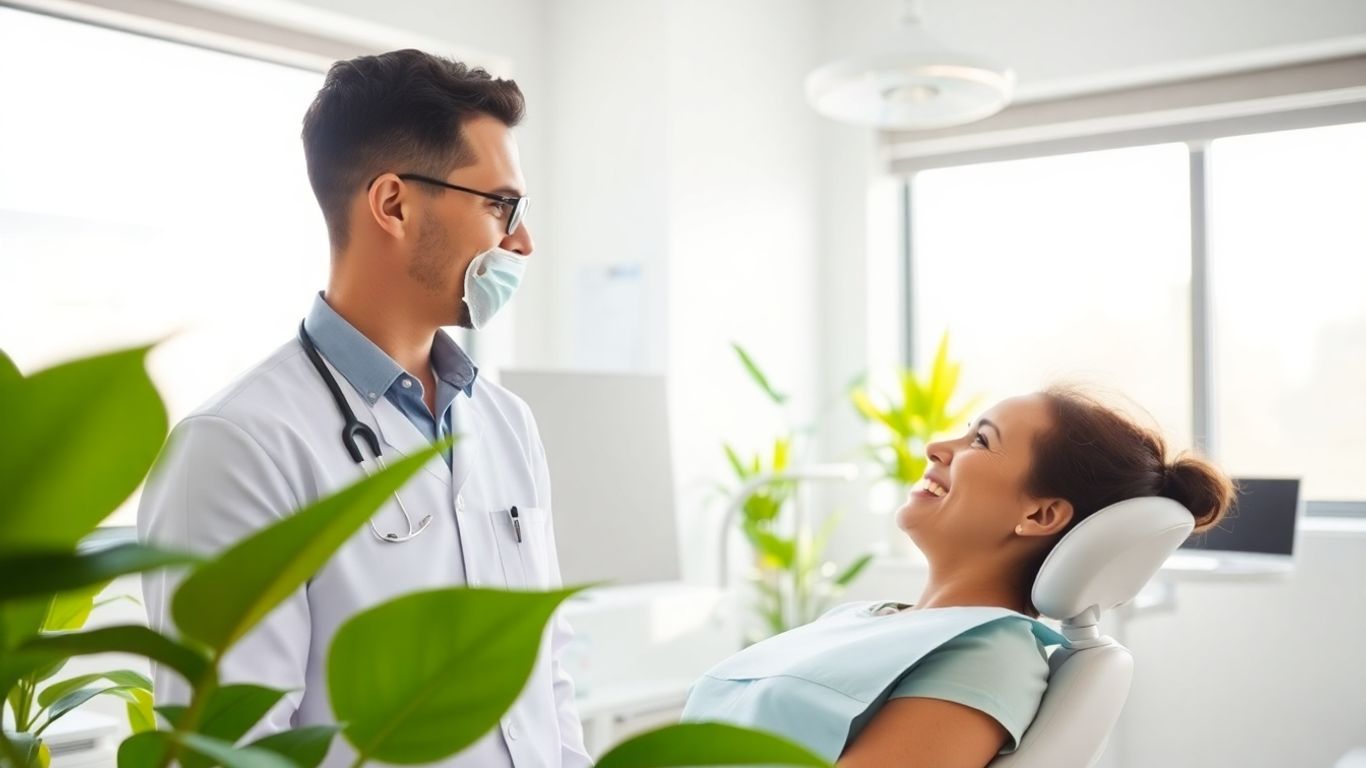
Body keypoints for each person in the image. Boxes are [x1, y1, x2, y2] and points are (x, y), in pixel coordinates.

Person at [138, 49, 590, 767]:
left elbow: (548, 684)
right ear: (394, 204)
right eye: (499, 205)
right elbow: (232, 748)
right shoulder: (239, 446)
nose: (522, 240)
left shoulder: (506, 424)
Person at [682, 386, 1233, 767]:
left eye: (980, 441)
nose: (937, 447)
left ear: (1041, 515)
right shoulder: (862, 621)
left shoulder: (987, 654)